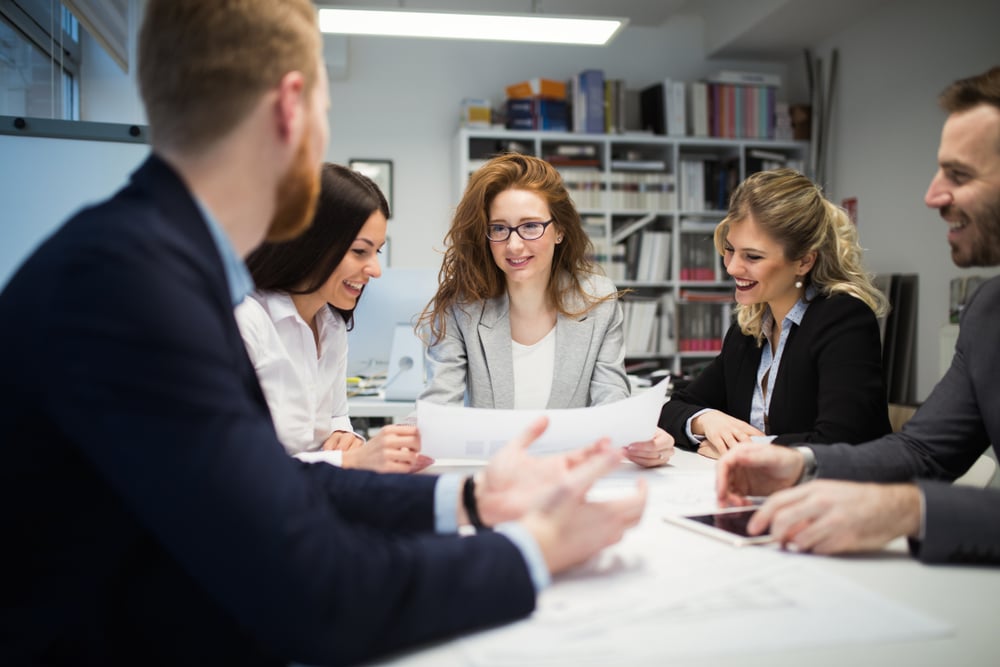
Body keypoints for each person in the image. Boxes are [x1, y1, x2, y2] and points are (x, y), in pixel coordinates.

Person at [0, 2, 649, 664]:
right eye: (327, 113)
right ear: (291, 109)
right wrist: (533, 548)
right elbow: (320, 593)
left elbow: (278, 483)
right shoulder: (131, 289)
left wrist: (471, 494)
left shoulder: (148, 260)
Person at [716, 66, 1000, 565]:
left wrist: (910, 508)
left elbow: (893, 462)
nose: (932, 195)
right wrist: (796, 463)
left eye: (959, 174)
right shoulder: (988, 312)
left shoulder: (839, 317)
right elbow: (922, 452)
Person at [417, 153, 675, 468]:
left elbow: (612, 404)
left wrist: (643, 441)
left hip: (569, 479)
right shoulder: (462, 306)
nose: (513, 245)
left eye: (530, 226)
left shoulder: (598, 301)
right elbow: (438, 410)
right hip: (489, 478)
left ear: (559, 230)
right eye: (499, 228)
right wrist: (406, 439)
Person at [659, 168, 891, 458]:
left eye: (752, 257)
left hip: (840, 497)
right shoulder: (749, 329)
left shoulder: (844, 319)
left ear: (804, 261)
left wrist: (746, 450)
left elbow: (843, 440)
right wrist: (708, 420)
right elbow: (673, 408)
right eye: (730, 250)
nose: (731, 268)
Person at [236, 162, 429, 473]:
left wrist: (343, 435)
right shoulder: (247, 323)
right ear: (312, 243)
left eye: (376, 252)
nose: (376, 270)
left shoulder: (331, 325)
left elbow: (336, 416)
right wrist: (347, 459)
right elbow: (238, 462)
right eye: (359, 251)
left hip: (311, 498)